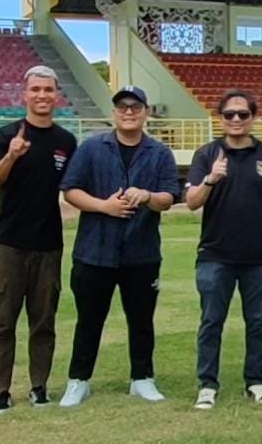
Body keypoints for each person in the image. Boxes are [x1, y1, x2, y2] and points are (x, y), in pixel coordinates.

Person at [58, 85, 180, 407]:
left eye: (135, 106)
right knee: (89, 319)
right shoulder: (93, 148)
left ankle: (142, 379)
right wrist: (103, 206)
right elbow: (70, 190)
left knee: (141, 321)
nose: (129, 112)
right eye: (122, 107)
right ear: (114, 112)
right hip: (94, 252)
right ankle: (78, 381)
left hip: (141, 253)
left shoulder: (160, 153)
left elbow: (169, 197)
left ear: (146, 112)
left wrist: (148, 197)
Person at [0, 65, 77, 416]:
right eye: (35, 90)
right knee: (3, 321)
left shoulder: (65, 141)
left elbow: (74, 187)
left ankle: (39, 387)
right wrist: (12, 154)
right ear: (24, 94)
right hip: (8, 244)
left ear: (57, 96)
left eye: (48, 90)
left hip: (49, 245)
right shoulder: (6, 135)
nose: (42, 96)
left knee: (43, 321)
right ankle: (1, 391)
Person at [186, 89, 262, 410]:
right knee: (211, 321)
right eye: (229, 114)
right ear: (220, 118)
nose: (235, 120)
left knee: (258, 322)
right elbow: (191, 203)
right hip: (216, 256)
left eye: (242, 115)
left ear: (252, 118)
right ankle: (207, 384)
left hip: (260, 258)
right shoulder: (207, 155)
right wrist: (211, 179)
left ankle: (256, 381)